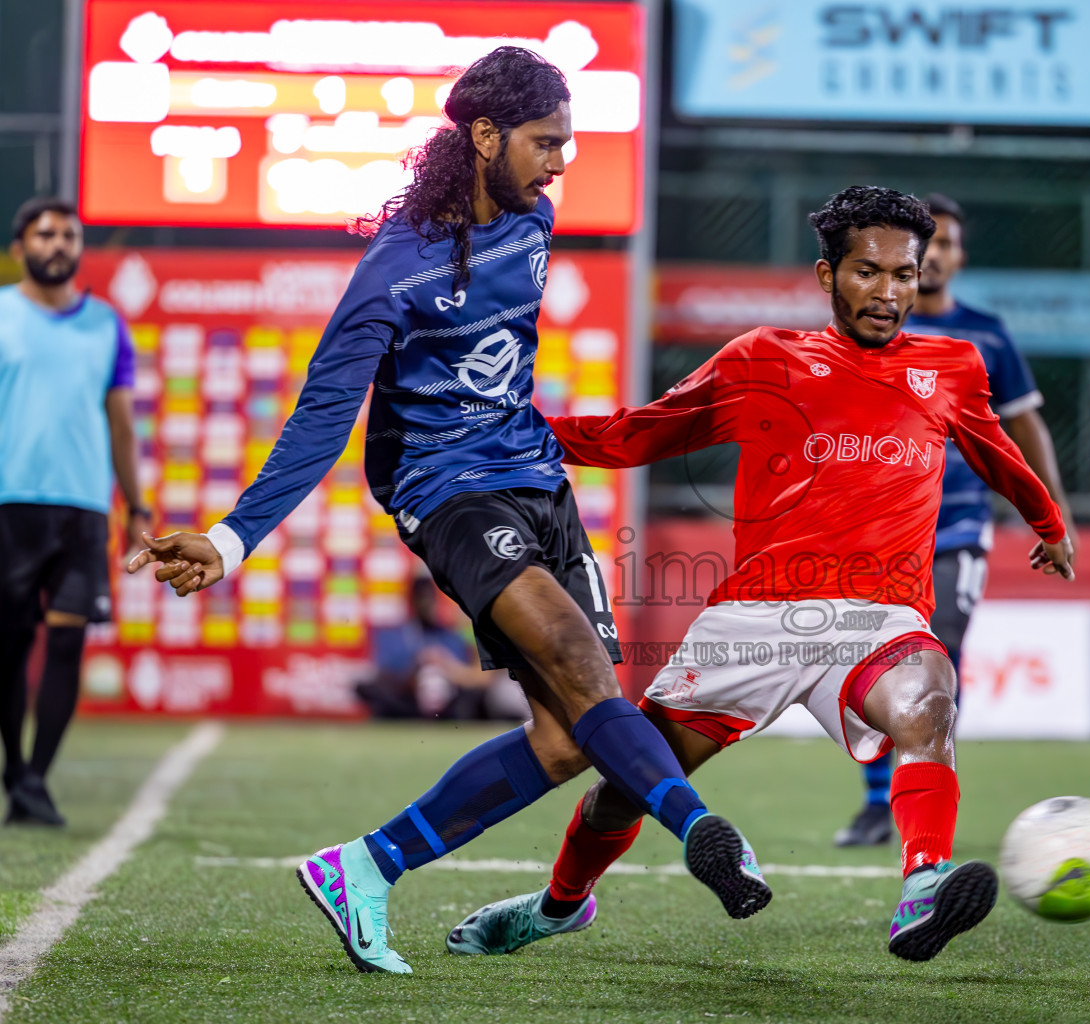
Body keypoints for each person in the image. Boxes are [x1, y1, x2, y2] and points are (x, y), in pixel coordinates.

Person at [127, 47, 769, 975]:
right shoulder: (391, 276)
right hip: (448, 492)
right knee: (587, 672)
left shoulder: (536, 223)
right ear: (483, 135)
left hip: (539, 485)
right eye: (547, 143)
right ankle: (705, 833)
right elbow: (321, 421)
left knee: (564, 739)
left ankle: (364, 867)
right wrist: (231, 542)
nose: (561, 163)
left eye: (569, 142)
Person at [443, 186, 1074, 963]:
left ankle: (924, 884)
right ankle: (557, 905)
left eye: (904, 275)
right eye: (868, 273)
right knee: (625, 787)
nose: (889, 293)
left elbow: (996, 452)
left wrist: (1049, 524)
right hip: (755, 620)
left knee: (929, 704)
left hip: (878, 616)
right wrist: (514, 434)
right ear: (825, 274)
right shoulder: (762, 360)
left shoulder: (954, 364)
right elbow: (634, 435)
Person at [833, 192, 1077, 847]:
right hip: (878, 526)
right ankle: (874, 801)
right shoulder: (874, 328)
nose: (933, 255)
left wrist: (1051, 513)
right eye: (925, 246)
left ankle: (925, 777)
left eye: (945, 245)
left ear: (958, 256)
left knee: (938, 647)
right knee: (872, 656)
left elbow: (1026, 425)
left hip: (959, 522)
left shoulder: (988, 335)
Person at [0, 197, 149, 827]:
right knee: (9, 648)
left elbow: (120, 426)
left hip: (84, 509)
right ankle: (18, 774)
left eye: (69, 235)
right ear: (20, 248)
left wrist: (136, 506)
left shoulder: (107, 324)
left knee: (66, 642)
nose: (58, 244)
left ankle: (33, 780)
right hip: (9, 505)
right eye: (45, 234)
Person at [356, 575, 529, 721]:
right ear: (412, 600)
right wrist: (416, 669)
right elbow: (384, 671)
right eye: (420, 598)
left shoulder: (451, 634)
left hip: (456, 695)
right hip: (408, 694)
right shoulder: (396, 633)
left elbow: (479, 679)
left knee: (482, 696)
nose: (425, 604)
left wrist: (445, 666)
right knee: (370, 686)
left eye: (428, 598)